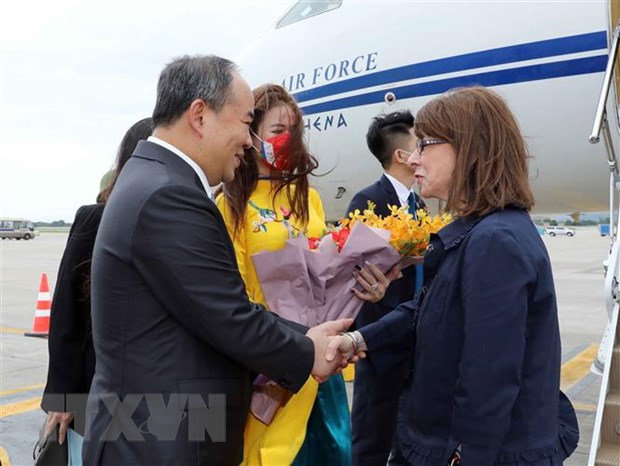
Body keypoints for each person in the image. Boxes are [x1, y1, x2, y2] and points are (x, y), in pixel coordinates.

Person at [82, 56, 353, 465]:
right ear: (199, 116)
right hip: (161, 445)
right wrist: (307, 350)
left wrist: (307, 334)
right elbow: (228, 317)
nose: (248, 140)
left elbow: (216, 309)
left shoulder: (155, 179)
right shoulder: (169, 194)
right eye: (245, 122)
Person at [328, 86, 579, 465]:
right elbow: (428, 309)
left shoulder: (495, 241)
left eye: (424, 145)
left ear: (467, 148)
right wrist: (359, 338)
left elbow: (489, 379)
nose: (414, 158)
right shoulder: (480, 231)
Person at [217, 83, 394, 466]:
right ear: (251, 135)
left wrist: (366, 287)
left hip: (320, 363)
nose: (289, 140)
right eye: (278, 131)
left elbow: (325, 275)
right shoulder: (231, 204)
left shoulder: (308, 198)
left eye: (295, 131)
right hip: (267, 366)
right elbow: (231, 295)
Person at [41, 117, 153, 459]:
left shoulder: (178, 223)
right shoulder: (95, 219)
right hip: (96, 387)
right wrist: (63, 397)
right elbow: (66, 313)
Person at [345, 109, 425, 466]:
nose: (424, 152)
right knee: (372, 439)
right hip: (380, 340)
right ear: (402, 155)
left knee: (408, 438)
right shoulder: (367, 202)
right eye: (419, 145)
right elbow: (351, 273)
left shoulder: (419, 205)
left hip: (416, 340)